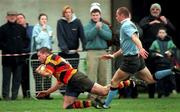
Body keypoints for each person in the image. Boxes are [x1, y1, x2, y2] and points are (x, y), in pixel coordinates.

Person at [99, 7, 180, 109]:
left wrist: (141, 48)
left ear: (121, 16)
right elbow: (126, 46)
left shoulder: (126, 25)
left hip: (130, 60)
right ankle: (171, 70)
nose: (115, 17)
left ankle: (105, 105)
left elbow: (135, 38)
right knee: (151, 80)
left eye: (116, 15)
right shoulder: (130, 24)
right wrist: (113, 55)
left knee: (114, 82)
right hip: (137, 59)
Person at [139, 3, 176, 98]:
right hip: (149, 51)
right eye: (153, 9)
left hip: (162, 51)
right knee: (150, 71)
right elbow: (139, 29)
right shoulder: (146, 19)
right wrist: (150, 24)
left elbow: (173, 30)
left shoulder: (163, 19)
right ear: (150, 10)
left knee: (162, 71)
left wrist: (166, 22)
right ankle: (151, 94)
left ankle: (162, 93)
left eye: (157, 9)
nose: (155, 11)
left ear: (160, 11)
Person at [56, 5, 86, 95]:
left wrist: (85, 46)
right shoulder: (60, 22)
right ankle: (63, 92)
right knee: (63, 73)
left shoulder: (77, 22)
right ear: (64, 14)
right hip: (63, 53)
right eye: (66, 12)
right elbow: (60, 36)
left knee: (73, 74)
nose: (68, 14)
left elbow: (82, 35)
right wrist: (64, 49)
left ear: (72, 13)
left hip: (74, 54)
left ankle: (72, 92)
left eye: (69, 12)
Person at [0, 11, 29, 100]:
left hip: (19, 59)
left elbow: (26, 40)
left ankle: (14, 96)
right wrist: (8, 48)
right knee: (6, 79)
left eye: (14, 15)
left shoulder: (21, 28)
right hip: (7, 59)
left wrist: (21, 48)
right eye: (10, 15)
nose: (12, 17)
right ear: (7, 17)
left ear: (16, 17)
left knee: (17, 79)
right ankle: (6, 96)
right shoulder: (2, 29)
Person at [84, 2, 112, 91]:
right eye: (93, 15)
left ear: (100, 15)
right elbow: (88, 37)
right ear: (91, 15)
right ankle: (91, 95)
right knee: (91, 76)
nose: (95, 17)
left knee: (103, 76)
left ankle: (101, 95)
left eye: (97, 15)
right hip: (92, 52)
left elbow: (109, 36)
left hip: (103, 52)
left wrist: (100, 29)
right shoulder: (87, 26)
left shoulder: (105, 26)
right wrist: (95, 28)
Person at [149, 27, 177, 98]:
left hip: (168, 63)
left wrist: (170, 52)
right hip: (159, 64)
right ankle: (160, 93)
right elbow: (151, 52)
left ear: (166, 34)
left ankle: (167, 93)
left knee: (168, 79)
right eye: (160, 32)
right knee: (159, 79)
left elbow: (174, 49)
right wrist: (155, 54)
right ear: (158, 34)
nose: (161, 34)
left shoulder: (170, 42)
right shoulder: (155, 42)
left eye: (163, 32)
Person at [31, 13, 54, 99]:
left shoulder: (49, 28)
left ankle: (47, 94)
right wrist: (42, 31)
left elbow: (52, 41)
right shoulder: (36, 28)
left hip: (48, 53)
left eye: (45, 19)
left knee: (48, 74)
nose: (44, 20)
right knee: (38, 75)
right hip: (39, 53)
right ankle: (39, 95)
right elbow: (37, 40)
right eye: (42, 19)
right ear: (39, 20)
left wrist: (51, 36)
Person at [16, 13, 34, 98]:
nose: (20, 20)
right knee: (20, 76)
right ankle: (22, 94)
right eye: (18, 18)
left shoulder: (31, 29)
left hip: (29, 55)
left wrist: (27, 50)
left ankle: (28, 94)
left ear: (25, 19)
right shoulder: (15, 30)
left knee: (28, 76)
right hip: (19, 55)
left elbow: (32, 41)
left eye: (21, 18)